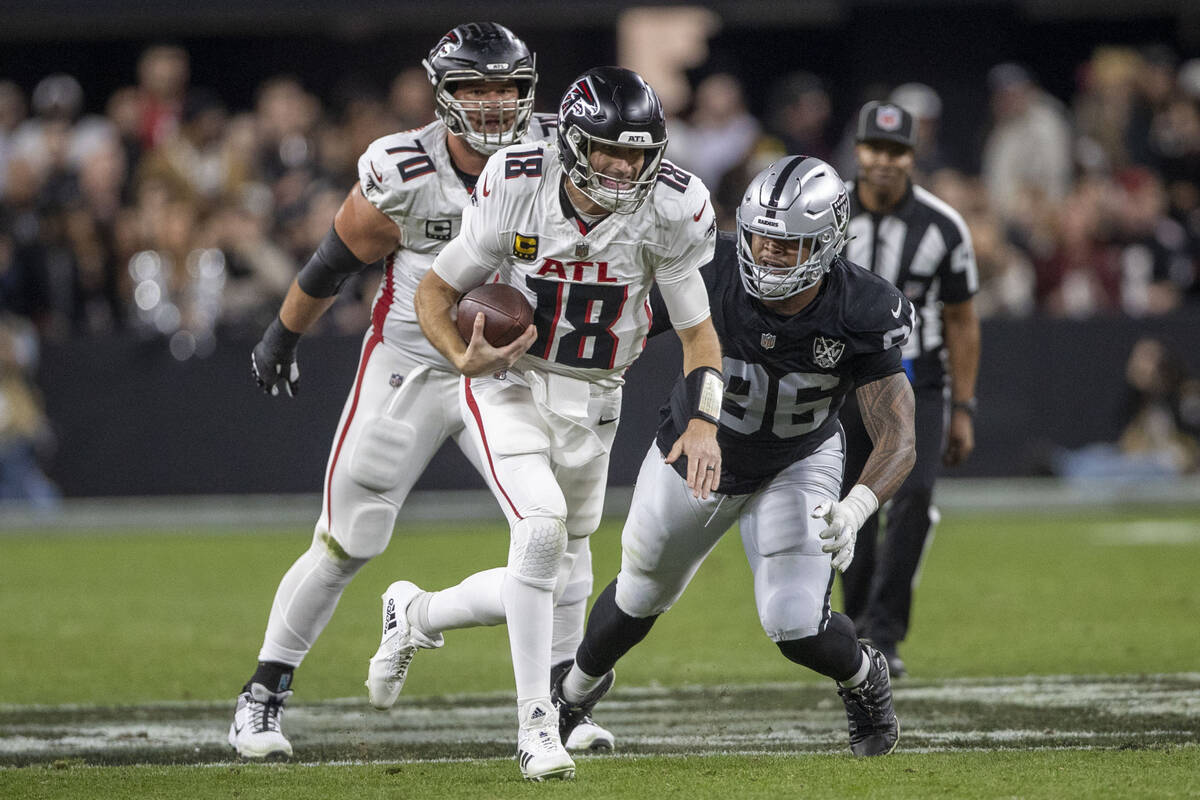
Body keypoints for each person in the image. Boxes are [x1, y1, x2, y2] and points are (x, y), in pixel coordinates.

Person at [229, 22, 619, 760]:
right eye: (476, 85)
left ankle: (560, 704)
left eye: (506, 85)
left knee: (560, 535)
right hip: (412, 366)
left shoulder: (560, 154)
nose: (496, 101)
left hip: (513, 372)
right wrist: (283, 334)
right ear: (443, 94)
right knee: (349, 537)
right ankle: (262, 695)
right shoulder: (406, 169)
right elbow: (333, 259)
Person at [368, 66, 722, 781]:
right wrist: (459, 357)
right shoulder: (518, 181)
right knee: (539, 531)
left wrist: (706, 423)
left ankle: (418, 615)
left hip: (597, 395)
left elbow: (699, 338)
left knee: (566, 560)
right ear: (573, 145)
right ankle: (536, 725)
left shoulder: (673, 206)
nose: (625, 169)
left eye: (638, 155)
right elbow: (436, 291)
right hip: (511, 382)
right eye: (610, 154)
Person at [550, 156, 916, 758]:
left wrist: (855, 508)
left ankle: (863, 676)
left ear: (828, 243)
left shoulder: (863, 307)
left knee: (795, 621)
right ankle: (574, 693)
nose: (768, 255)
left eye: (788, 245)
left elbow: (898, 434)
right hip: (698, 448)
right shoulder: (707, 266)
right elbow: (616, 330)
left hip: (798, 460)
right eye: (760, 239)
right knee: (640, 592)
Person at [839, 101, 981, 677]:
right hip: (841, 383)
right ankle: (856, 630)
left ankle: (886, 635)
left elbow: (962, 320)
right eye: (875, 148)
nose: (884, 162)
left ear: (912, 156)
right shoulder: (823, 209)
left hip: (918, 385)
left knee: (914, 498)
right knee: (851, 510)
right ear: (858, 149)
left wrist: (965, 408)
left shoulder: (943, 226)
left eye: (896, 151)